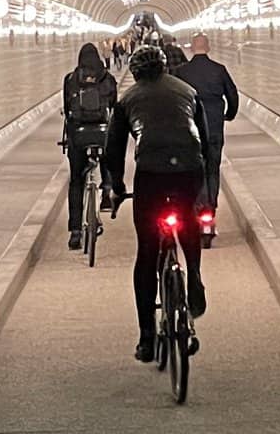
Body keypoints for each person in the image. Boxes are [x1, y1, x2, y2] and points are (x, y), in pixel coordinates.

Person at [101, 44, 209, 362]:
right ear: (164, 69)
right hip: (189, 168)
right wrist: (202, 185)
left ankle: (147, 339)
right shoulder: (188, 92)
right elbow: (203, 139)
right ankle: (195, 277)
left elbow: (113, 150)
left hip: (151, 175)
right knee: (187, 222)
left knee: (147, 254)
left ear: (135, 73)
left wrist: (117, 188)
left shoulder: (128, 99)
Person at [176, 33, 241, 229]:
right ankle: (210, 207)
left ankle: (197, 205)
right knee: (212, 168)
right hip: (213, 127)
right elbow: (233, 95)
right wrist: (229, 115)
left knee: (193, 170)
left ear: (191, 48)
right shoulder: (219, 70)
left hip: (190, 130)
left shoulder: (181, 72)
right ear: (209, 47)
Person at [60, 41, 117, 248]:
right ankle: (107, 191)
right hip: (102, 133)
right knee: (107, 158)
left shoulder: (71, 79)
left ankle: (75, 231)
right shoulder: (107, 78)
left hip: (78, 136)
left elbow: (67, 109)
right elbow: (114, 106)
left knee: (76, 180)